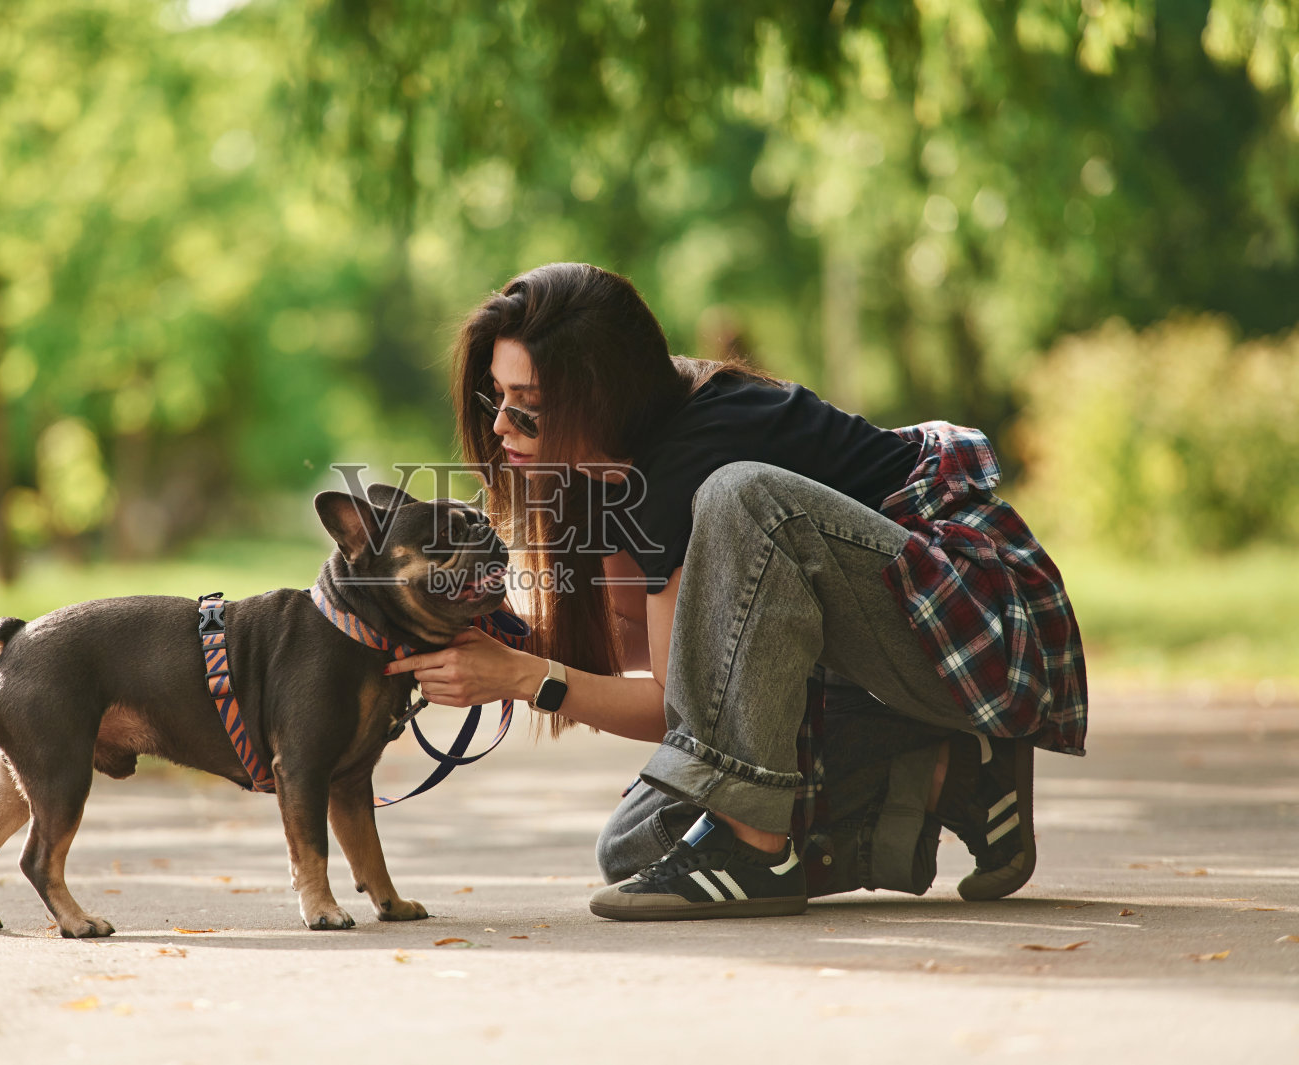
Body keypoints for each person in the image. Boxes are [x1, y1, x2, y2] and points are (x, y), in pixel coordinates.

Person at [384, 262, 1087, 920]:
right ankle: (955, 772)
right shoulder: (611, 457)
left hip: (975, 621)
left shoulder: (692, 456)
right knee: (634, 847)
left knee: (740, 493)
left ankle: (758, 852)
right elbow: (653, 644)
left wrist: (522, 676)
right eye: (497, 399)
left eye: (528, 408)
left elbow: (679, 705)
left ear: (595, 396)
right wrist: (493, 641)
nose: (503, 426)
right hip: (883, 648)